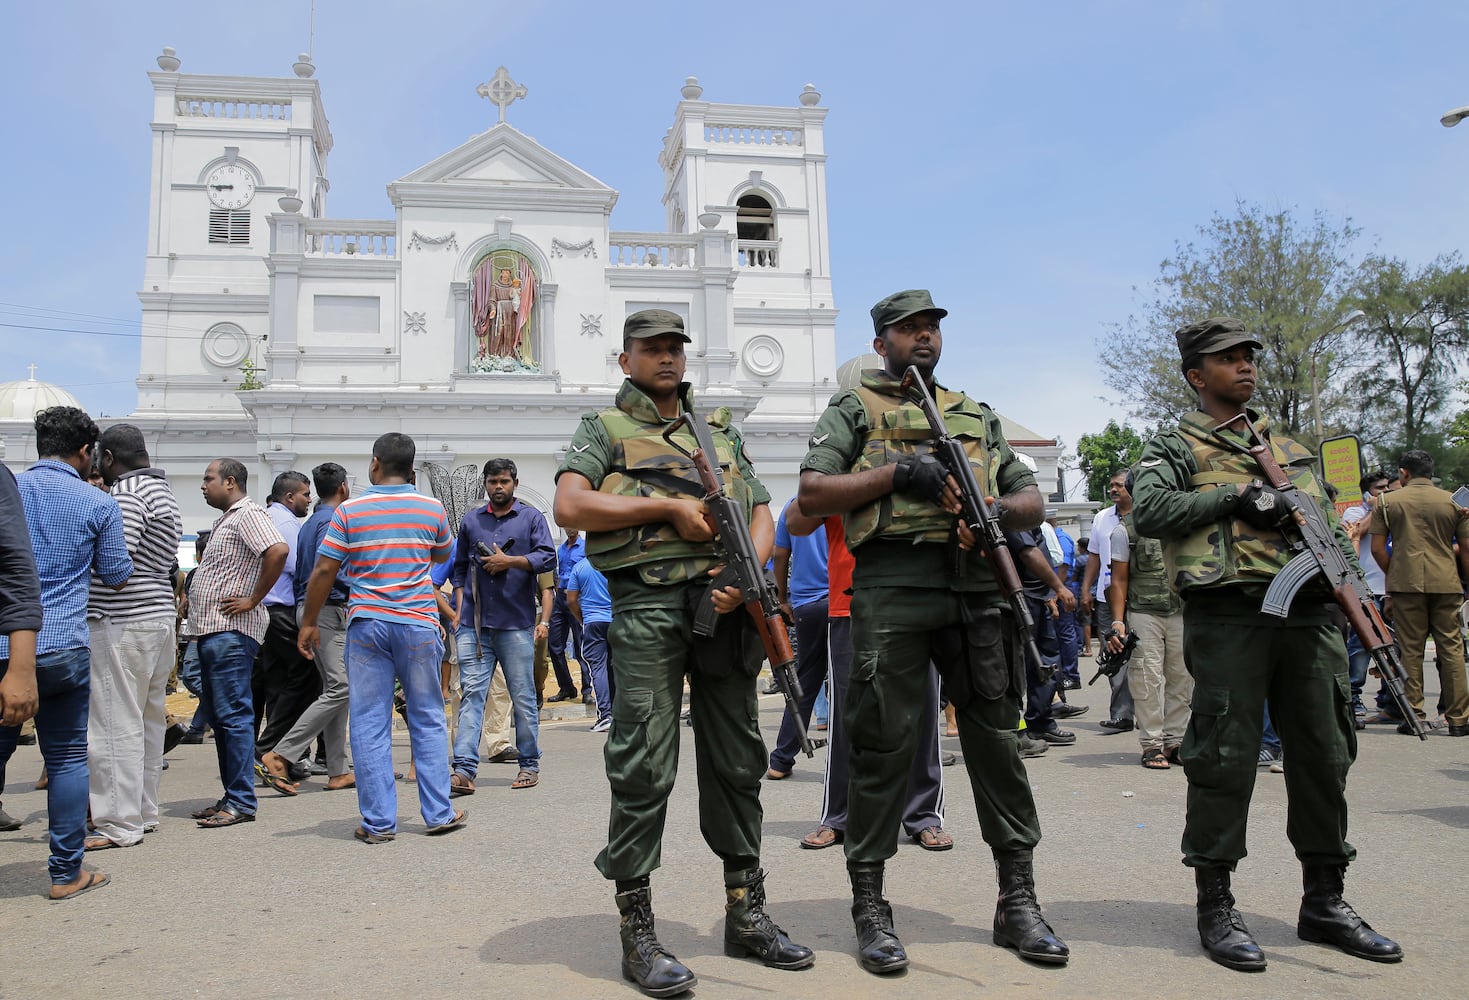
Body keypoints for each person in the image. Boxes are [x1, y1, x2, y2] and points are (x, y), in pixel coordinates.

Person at [798, 289, 1068, 974]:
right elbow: (811, 495)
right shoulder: (854, 408)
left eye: (930, 328)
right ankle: (871, 906)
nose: (922, 338)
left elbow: (1031, 499)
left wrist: (992, 509)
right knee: (882, 743)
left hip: (976, 587)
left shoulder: (973, 414)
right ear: (880, 341)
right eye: (907, 329)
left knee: (995, 743)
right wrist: (898, 473)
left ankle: (1018, 902)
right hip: (892, 587)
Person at [554, 308, 812, 997]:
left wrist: (744, 579)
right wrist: (663, 511)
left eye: (674, 348)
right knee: (643, 763)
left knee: (736, 761)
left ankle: (745, 913)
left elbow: (759, 510)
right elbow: (570, 507)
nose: (666, 359)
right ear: (626, 360)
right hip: (646, 610)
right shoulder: (603, 430)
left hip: (725, 613)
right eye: (652, 349)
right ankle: (637, 929)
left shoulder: (718, 430)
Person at [1132, 315, 1401, 972]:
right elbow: (1150, 510)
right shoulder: (1175, 444)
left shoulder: (1290, 446)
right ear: (1196, 375)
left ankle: (1324, 900)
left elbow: (1329, 527)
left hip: (1310, 619)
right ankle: (1215, 903)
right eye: (1227, 359)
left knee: (1323, 754)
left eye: (1248, 356)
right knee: (1223, 758)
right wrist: (1235, 498)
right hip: (1230, 617)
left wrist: (1357, 599)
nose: (1244, 366)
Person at [297, 433, 464, 842]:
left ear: (375, 464)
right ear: (412, 469)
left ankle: (379, 823)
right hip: (419, 624)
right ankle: (439, 813)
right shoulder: (432, 508)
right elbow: (443, 554)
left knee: (371, 721)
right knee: (426, 716)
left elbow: (323, 571)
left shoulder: (351, 511)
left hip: (368, 623)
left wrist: (310, 621)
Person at [0, 406, 131, 898]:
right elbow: (117, 574)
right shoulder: (97, 503)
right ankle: (65, 873)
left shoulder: (10, 488)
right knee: (68, 758)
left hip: (4, 642)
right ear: (85, 452)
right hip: (62, 646)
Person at [793, 509, 953, 853]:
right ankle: (840, 815)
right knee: (846, 718)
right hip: (849, 605)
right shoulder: (838, 460)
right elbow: (797, 518)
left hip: (920, 598)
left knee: (923, 711)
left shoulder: (922, 455)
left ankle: (924, 815)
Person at [84, 424, 184, 850]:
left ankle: (118, 823)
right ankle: (143, 812)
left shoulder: (126, 496)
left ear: (108, 458)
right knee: (146, 722)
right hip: (157, 617)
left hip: (123, 620)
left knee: (113, 723)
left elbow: (115, 565)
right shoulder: (163, 493)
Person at [186, 459, 287, 830]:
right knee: (223, 719)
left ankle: (242, 800)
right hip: (214, 631)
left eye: (207, 478)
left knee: (233, 718)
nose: (202, 485)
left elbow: (277, 551)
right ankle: (232, 796)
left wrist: (253, 599)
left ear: (230, 482)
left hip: (231, 631)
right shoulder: (228, 518)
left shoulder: (247, 513)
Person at [449, 458, 555, 794]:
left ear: (515, 483)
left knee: (522, 697)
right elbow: (460, 569)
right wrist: (460, 612)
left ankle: (529, 765)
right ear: (485, 483)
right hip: (475, 627)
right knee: (472, 697)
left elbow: (548, 557)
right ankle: (464, 770)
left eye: (504, 481)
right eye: (493, 481)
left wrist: (510, 561)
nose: (499, 486)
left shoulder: (530, 518)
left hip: (515, 624)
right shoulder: (471, 521)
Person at [260, 462, 355, 793]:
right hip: (325, 610)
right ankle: (281, 754)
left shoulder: (311, 521)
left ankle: (338, 769)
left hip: (312, 609)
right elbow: (329, 571)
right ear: (343, 487)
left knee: (335, 689)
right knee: (341, 688)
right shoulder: (331, 520)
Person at [1369, 449, 1469, 735]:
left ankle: (1414, 716)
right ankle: (1459, 720)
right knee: (1452, 649)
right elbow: (1467, 549)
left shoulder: (1387, 501)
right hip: (1447, 583)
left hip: (1405, 585)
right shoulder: (1454, 500)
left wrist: (1397, 572)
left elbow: (1377, 548)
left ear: (1403, 473)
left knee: (1411, 650)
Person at [1105, 470, 1190, 770]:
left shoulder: (1180, 524)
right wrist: (1118, 622)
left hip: (1181, 611)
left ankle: (1176, 740)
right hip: (1144, 612)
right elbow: (1119, 580)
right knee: (1147, 679)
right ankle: (1152, 743)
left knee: (1183, 678)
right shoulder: (1124, 531)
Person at [253, 472, 315, 768]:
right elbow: (296, 566)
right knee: (309, 677)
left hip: (265, 613)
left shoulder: (265, 517)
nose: (309, 500)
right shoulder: (287, 523)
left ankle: (280, 750)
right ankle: (272, 747)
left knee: (277, 683)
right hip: (280, 611)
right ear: (290, 497)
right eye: (305, 494)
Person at [765, 499, 830, 780]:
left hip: (806, 605)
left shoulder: (794, 506)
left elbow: (780, 556)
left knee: (805, 680)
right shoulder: (846, 497)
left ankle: (781, 759)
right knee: (850, 682)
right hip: (843, 598)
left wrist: (781, 599)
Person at [1084, 471, 1136, 732]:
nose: (1114, 489)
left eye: (1120, 485)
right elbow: (1093, 555)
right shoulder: (1102, 518)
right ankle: (1123, 715)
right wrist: (1086, 589)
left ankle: (1156, 716)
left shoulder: (1148, 515)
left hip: (1140, 600)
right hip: (1107, 599)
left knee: (1149, 658)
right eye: (1112, 485)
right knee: (1114, 656)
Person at [1341, 471, 1390, 726]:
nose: (1384, 492)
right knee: (1361, 646)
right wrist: (1377, 508)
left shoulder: (1393, 508)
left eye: (1386, 488)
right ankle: (1354, 697)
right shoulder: (1354, 512)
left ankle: (1388, 700)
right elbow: (1358, 532)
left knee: (1395, 647)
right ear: (1366, 491)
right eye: (1379, 488)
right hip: (1367, 587)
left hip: (1391, 587)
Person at [566, 557, 614, 732]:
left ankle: (606, 715)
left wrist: (582, 619)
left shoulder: (580, 568)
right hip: (615, 621)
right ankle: (617, 713)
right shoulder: (612, 563)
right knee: (615, 668)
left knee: (598, 669)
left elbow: (571, 600)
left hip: (593, 622)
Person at [546, 526, 587, 703]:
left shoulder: (585, 548)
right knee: (554, 646)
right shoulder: (561, 549)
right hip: (560, 598)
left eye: (573, 525)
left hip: (577, 597)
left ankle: (588, 690)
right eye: (567, 525)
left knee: (581, 646)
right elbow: (557, 573)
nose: (570, 528)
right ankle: (567, 687)